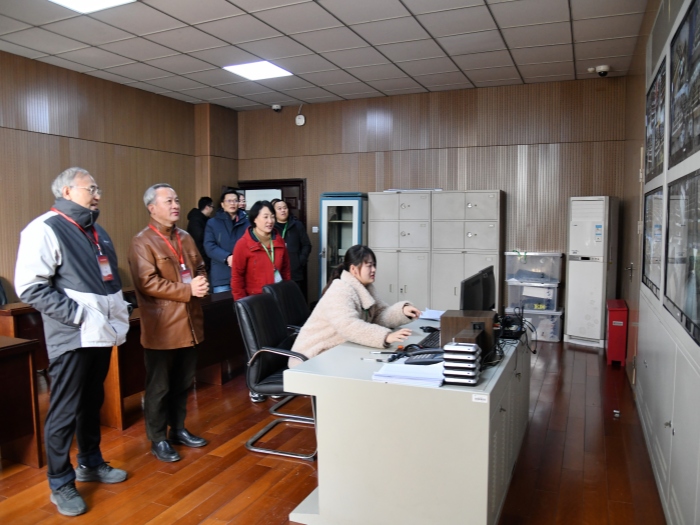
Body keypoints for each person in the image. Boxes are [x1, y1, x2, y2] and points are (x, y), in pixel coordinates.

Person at [14, 167, 130, 517]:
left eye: (97, 188)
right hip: (72, 335)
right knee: (64, 409)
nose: (97, 195)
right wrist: (79, 316)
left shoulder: (96, 230)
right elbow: (30, 287)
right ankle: (60, 482)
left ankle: (90, 462)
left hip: (101, 334)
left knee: (91, 401)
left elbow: (107, 279)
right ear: (66, 191)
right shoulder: (44, 228)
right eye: (90, 188)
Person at [128, 183, 210, 463]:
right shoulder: (142, 242)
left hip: (190, 323)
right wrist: (188, 289)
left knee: (183, 382)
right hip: (162, 327)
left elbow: (200, 266)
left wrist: (201, 281)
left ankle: (178, 429)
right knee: (159, 387)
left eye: (176, 200)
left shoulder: (185, 237)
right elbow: (147, 283)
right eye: (168, 201)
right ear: (152, 208)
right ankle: (157, 438)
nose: (176, 205)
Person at [290, 245, 421, 366]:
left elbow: (379, 315)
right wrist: (385, 336)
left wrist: (402, 311)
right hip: (311, 357)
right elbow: (348, 326)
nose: (374, 270)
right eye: (369, 266)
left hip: (336, 352)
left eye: (374, 265)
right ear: (353, 269)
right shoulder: (340, 290)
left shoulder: (365, 288)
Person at [231, 200, 291, 301]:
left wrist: (286, 293)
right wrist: (242, 303)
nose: (270, 221)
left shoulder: (279, 240)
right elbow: (237, 277)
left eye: (272, 216)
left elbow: (286, 271)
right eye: (265, 217)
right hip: (255, 300)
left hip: (278, 297)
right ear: (255, 219)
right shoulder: (243, 244)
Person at [203, 189, 249, 293]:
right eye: (229, 201)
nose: (232, 203)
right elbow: (209, 246)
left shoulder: (247, 223)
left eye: (235, 200)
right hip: (221, 276)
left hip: (244, 274)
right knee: (223, 303)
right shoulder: (212, 223)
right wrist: (227, 257)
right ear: (222, 204)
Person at [271, 198, 312, 299]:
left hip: (294, 270)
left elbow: (307, 245)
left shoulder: (297, 225)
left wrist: (300, 261)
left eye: (285, 208)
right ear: (274, 212)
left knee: (294, 300)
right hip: (276, 271)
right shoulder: (271, 227)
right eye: (279, 208)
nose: (283, 210)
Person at [186, 196, 213, 273]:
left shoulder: (205, 219)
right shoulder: (195, 220)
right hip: (200, 255)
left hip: (204, 255)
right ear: (207, 207)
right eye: (212, 207)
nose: (212, 210)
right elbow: (199, 237)